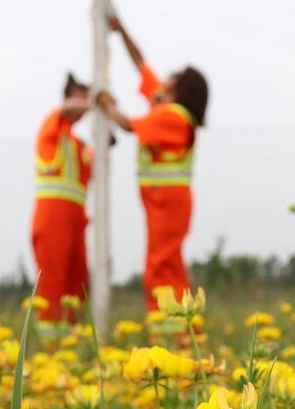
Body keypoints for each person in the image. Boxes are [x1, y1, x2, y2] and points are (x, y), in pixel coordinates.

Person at [97, 16, 209, 316]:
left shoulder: (172, 116)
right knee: (166, 264)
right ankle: (180, 331)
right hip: (163, 202)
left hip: (168, 203)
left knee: (160, 267)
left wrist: (106, 104)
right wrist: (122, 31)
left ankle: (172, 331)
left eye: (176, 74)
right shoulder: (165, 107)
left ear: (181, 88)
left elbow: (128, 125)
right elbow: (141, 64)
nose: (168, 75)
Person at [30, 73, 93, 339]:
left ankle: (72, 341)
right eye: (83, 94)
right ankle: (51, 343)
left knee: (78, 285)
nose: (86, 101)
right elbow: (67, 109)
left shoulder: (78, 144)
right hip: (52, 219)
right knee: (53, 283)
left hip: (76, 222)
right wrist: (98, 105)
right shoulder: (53, 125)